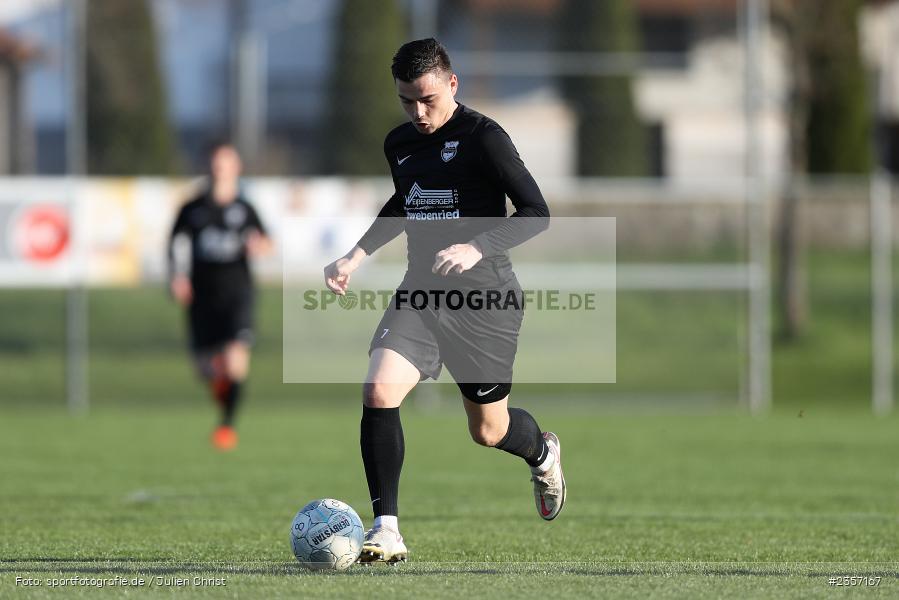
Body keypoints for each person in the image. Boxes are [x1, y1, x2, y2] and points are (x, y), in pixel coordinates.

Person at [323, 38, 565, 564]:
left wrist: (477, 246)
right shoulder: (399, 143)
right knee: (378, 389)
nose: (418, 112)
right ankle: (386, 529)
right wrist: (355, 255)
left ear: (452, 84)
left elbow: (536, 212)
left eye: (427, 99)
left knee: (488, 430)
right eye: (407, 100)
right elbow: (404, 201)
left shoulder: (485, 138)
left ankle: (543, 452)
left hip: (485, 304)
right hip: (421, 293)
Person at [168, 142, 271, 451]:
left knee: (235, 360)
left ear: (235, 168)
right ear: (207, 167)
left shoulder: (245, 208)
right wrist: (177, 277)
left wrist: (258, 246)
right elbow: (173, 244)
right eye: (215, 163)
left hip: (237, 293)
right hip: (201, 296)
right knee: (205, 369)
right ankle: (221, 387)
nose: (219, 169)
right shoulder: (192, 208)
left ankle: (226, 426)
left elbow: (266, 242)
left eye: (225, 163)